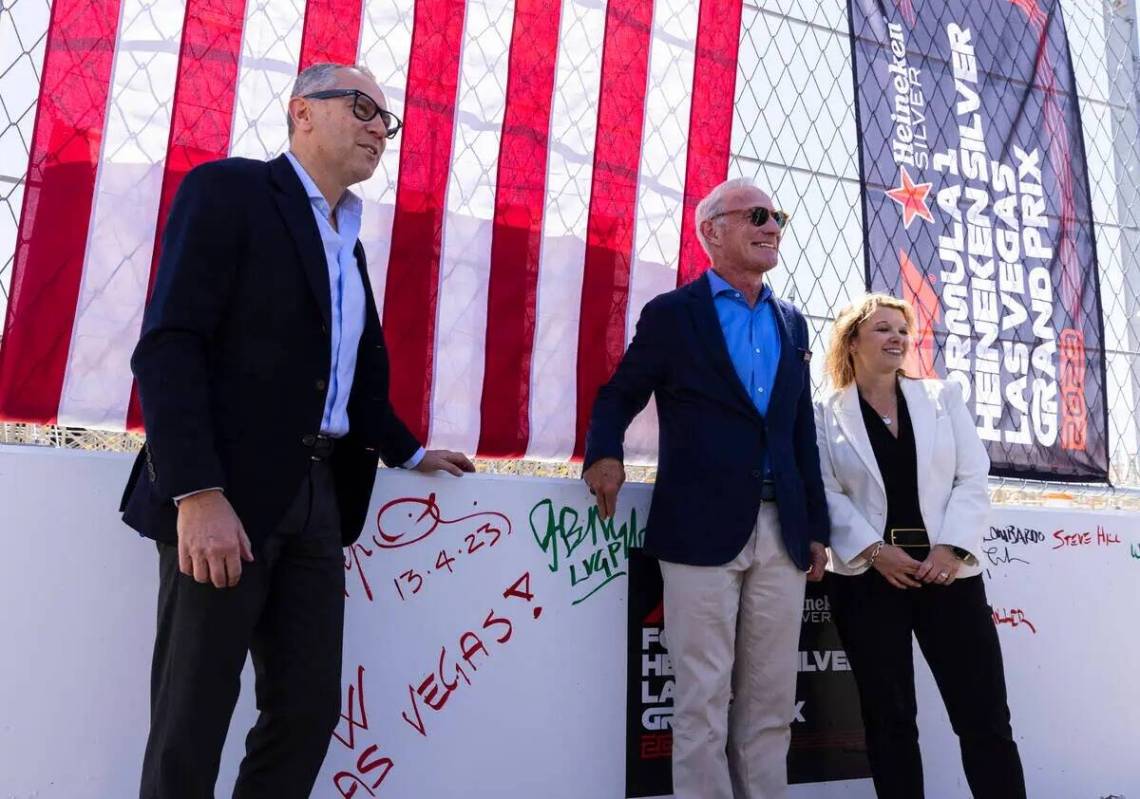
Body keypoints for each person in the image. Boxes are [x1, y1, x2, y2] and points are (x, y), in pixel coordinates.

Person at [120, 62, 474, 798]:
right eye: (363, 108)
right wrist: (197, 492)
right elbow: (169, 343)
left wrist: (409, 449)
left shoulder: (347, 233)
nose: (381, 129)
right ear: (301, 112)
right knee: (191, 720)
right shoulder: (231, 191)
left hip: (319, 499)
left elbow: (347, 368)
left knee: (309, 713)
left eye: (388, 120)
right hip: (227, 496)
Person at [583, 177, 830, 799]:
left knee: (772, 700)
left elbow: (800, 432)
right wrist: (604, 454)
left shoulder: (794, 323)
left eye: (778, 216)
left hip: (784, 533)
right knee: (700, 699)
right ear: (711, 231)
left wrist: (817, 528)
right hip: (697, 529)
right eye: (756, 215)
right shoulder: (673, 315)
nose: (772, 225)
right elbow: (620, 394)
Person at [814, 293, 1026, 798]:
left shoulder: (942, 397)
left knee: (984, 716)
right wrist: (872, 551)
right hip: (869, 579)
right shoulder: (823, 412)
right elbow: (824, 490)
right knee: (889, 721)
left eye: (903, 331)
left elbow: (972, 478)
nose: (898, 339)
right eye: (883, 329)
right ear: (852, 342)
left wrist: (951, 550)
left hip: (947, 575)